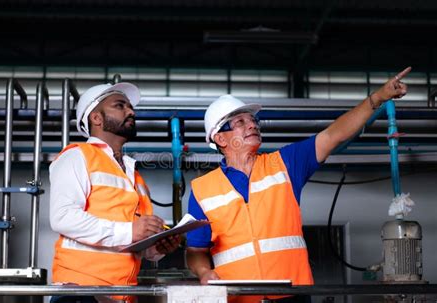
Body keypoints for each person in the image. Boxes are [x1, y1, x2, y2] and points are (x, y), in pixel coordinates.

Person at [186, 67, 412, 303]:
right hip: (238, 299)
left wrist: (377, 98)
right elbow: (195, 251)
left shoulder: (286, 163)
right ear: (220, 138)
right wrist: (204, 272)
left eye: (253, 120)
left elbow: (334, 135)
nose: (252, 125)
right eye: (240, 122)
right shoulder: (203, 189)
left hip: (293, 295)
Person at [49, 82, 181, 303]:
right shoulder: (77, 156)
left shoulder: (135, 176)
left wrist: (158, 248)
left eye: (130, 107)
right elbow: (62, 217)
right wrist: (129, 231)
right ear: (96, 118)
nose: (130, 112)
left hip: (123, 296)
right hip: (81, 293)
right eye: (120, 106)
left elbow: (138, 241)